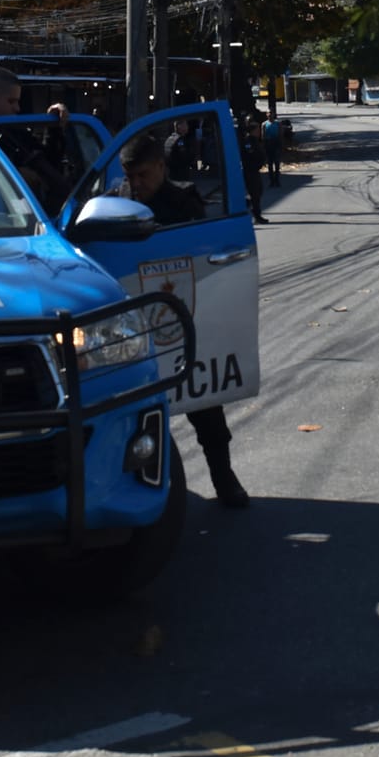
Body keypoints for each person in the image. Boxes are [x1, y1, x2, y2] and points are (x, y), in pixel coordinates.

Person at [121, 133, 250, 508]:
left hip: (179, 318)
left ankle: (223, 477)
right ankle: (136, 490)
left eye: (143, 175)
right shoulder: (116, 200)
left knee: (204, 404)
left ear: (161, 166)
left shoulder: (183, 200)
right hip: (129, 326)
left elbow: (204, 254)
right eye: (130, 176)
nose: (136, 184)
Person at [0, 66, 70, 209]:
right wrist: (13, 176)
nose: (17, 108)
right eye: (11, 101)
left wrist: (54, 127)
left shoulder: (14, 132)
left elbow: (50, 165)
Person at [260, 113, 282, 187]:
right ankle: (271, 181)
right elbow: (263, 136)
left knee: (277, 163)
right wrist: (264, 146)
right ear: (267, 116)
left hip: (276, 144)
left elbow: (280, 134)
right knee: (270, 164)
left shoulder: (278, 124)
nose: (270, 117)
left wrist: (280, 145)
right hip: (268, 145)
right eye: (269, 115)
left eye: (271, 115)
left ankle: (277, 180)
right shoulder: (264, 124)